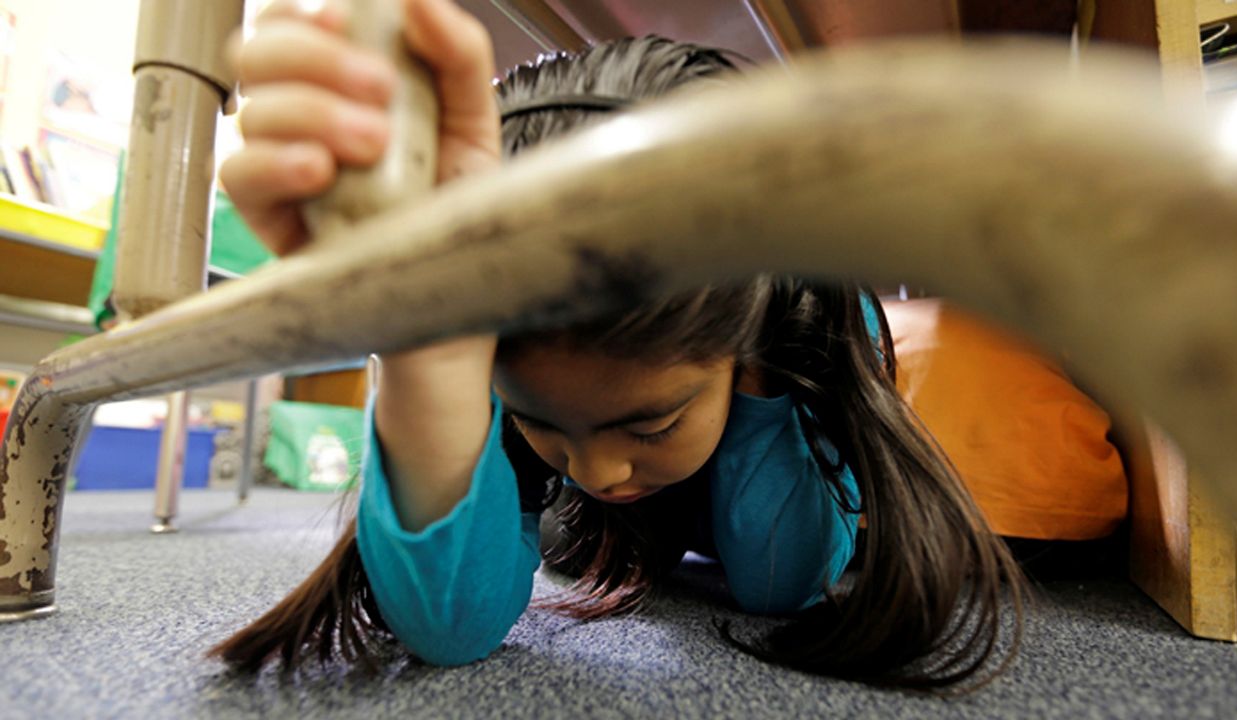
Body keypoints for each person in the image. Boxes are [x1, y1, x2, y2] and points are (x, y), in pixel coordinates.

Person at [212, 0, 1023, 689]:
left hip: (768, 379)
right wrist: (428, 350)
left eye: (649, 424)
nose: (598, 472)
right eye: (545, 421)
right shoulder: (512, 342)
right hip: (602, 512)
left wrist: (763, 373)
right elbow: (451, 630)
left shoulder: (811, 324)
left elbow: (781, 585)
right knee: (573, 535)